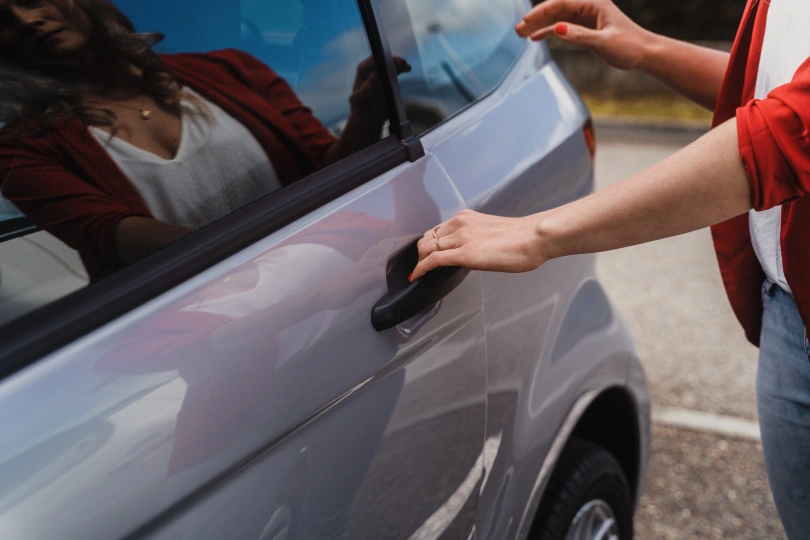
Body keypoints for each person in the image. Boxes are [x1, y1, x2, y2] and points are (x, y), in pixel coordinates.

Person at [411, 0, 810, 537]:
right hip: (788, 310)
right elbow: (774, 91)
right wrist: (647, 49)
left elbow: (790, 131)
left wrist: (537, 233)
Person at [0, 0, 407, 281]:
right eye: (3, 20)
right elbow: (107, 235)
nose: (25, 20)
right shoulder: (19, 149)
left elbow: (324, 168)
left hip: (340, 276)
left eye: (32, 0)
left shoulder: (233, 69)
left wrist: (364, 119)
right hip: (212, 334)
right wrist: (261, 261)